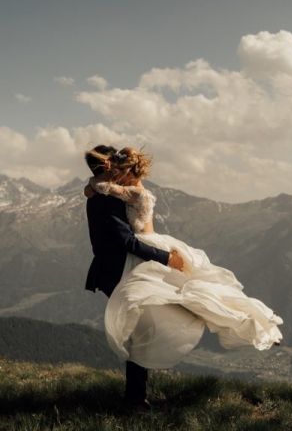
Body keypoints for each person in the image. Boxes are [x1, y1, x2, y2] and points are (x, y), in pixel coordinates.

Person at [86, 147, 283, 373]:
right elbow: (108, 194)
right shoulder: (114, 194)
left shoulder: (132, 193)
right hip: (142, 255)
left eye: (120, 170)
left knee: (192, 296)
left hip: (149, 252)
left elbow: (107, 191)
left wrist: (92, 184)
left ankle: (251, 322)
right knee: (184, 299)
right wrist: (92, 184)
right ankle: (251, 320)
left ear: (124, 170)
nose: (116, 175)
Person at [83, 144, 186, 409]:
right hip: (117, 270)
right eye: (113, 165)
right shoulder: (104, 198)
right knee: (141, 330)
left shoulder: (99, 193)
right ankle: (135, 398)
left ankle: (135, 395)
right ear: (108, 167)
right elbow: (126, 240)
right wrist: (166, 259)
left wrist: (92, 183)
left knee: (141, 329)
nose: (117, 169)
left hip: (116, 268)